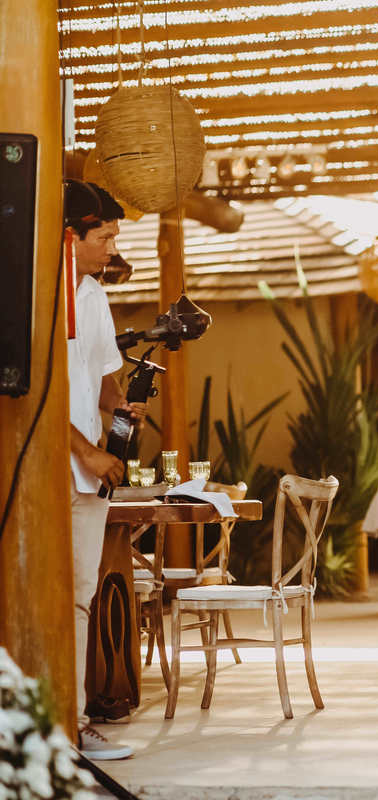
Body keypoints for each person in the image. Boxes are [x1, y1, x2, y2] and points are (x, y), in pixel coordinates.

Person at [64, 180, 145, 760]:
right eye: (105, 237)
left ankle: (71, 725)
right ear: (72, 236)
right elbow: (33, 396)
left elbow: (101, 374)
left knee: (81, 595)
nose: (112, 249)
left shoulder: (93, 293)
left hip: (87, 476)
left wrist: (116, 409)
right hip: (43, 470)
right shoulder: (27, 291)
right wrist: (85, 450)